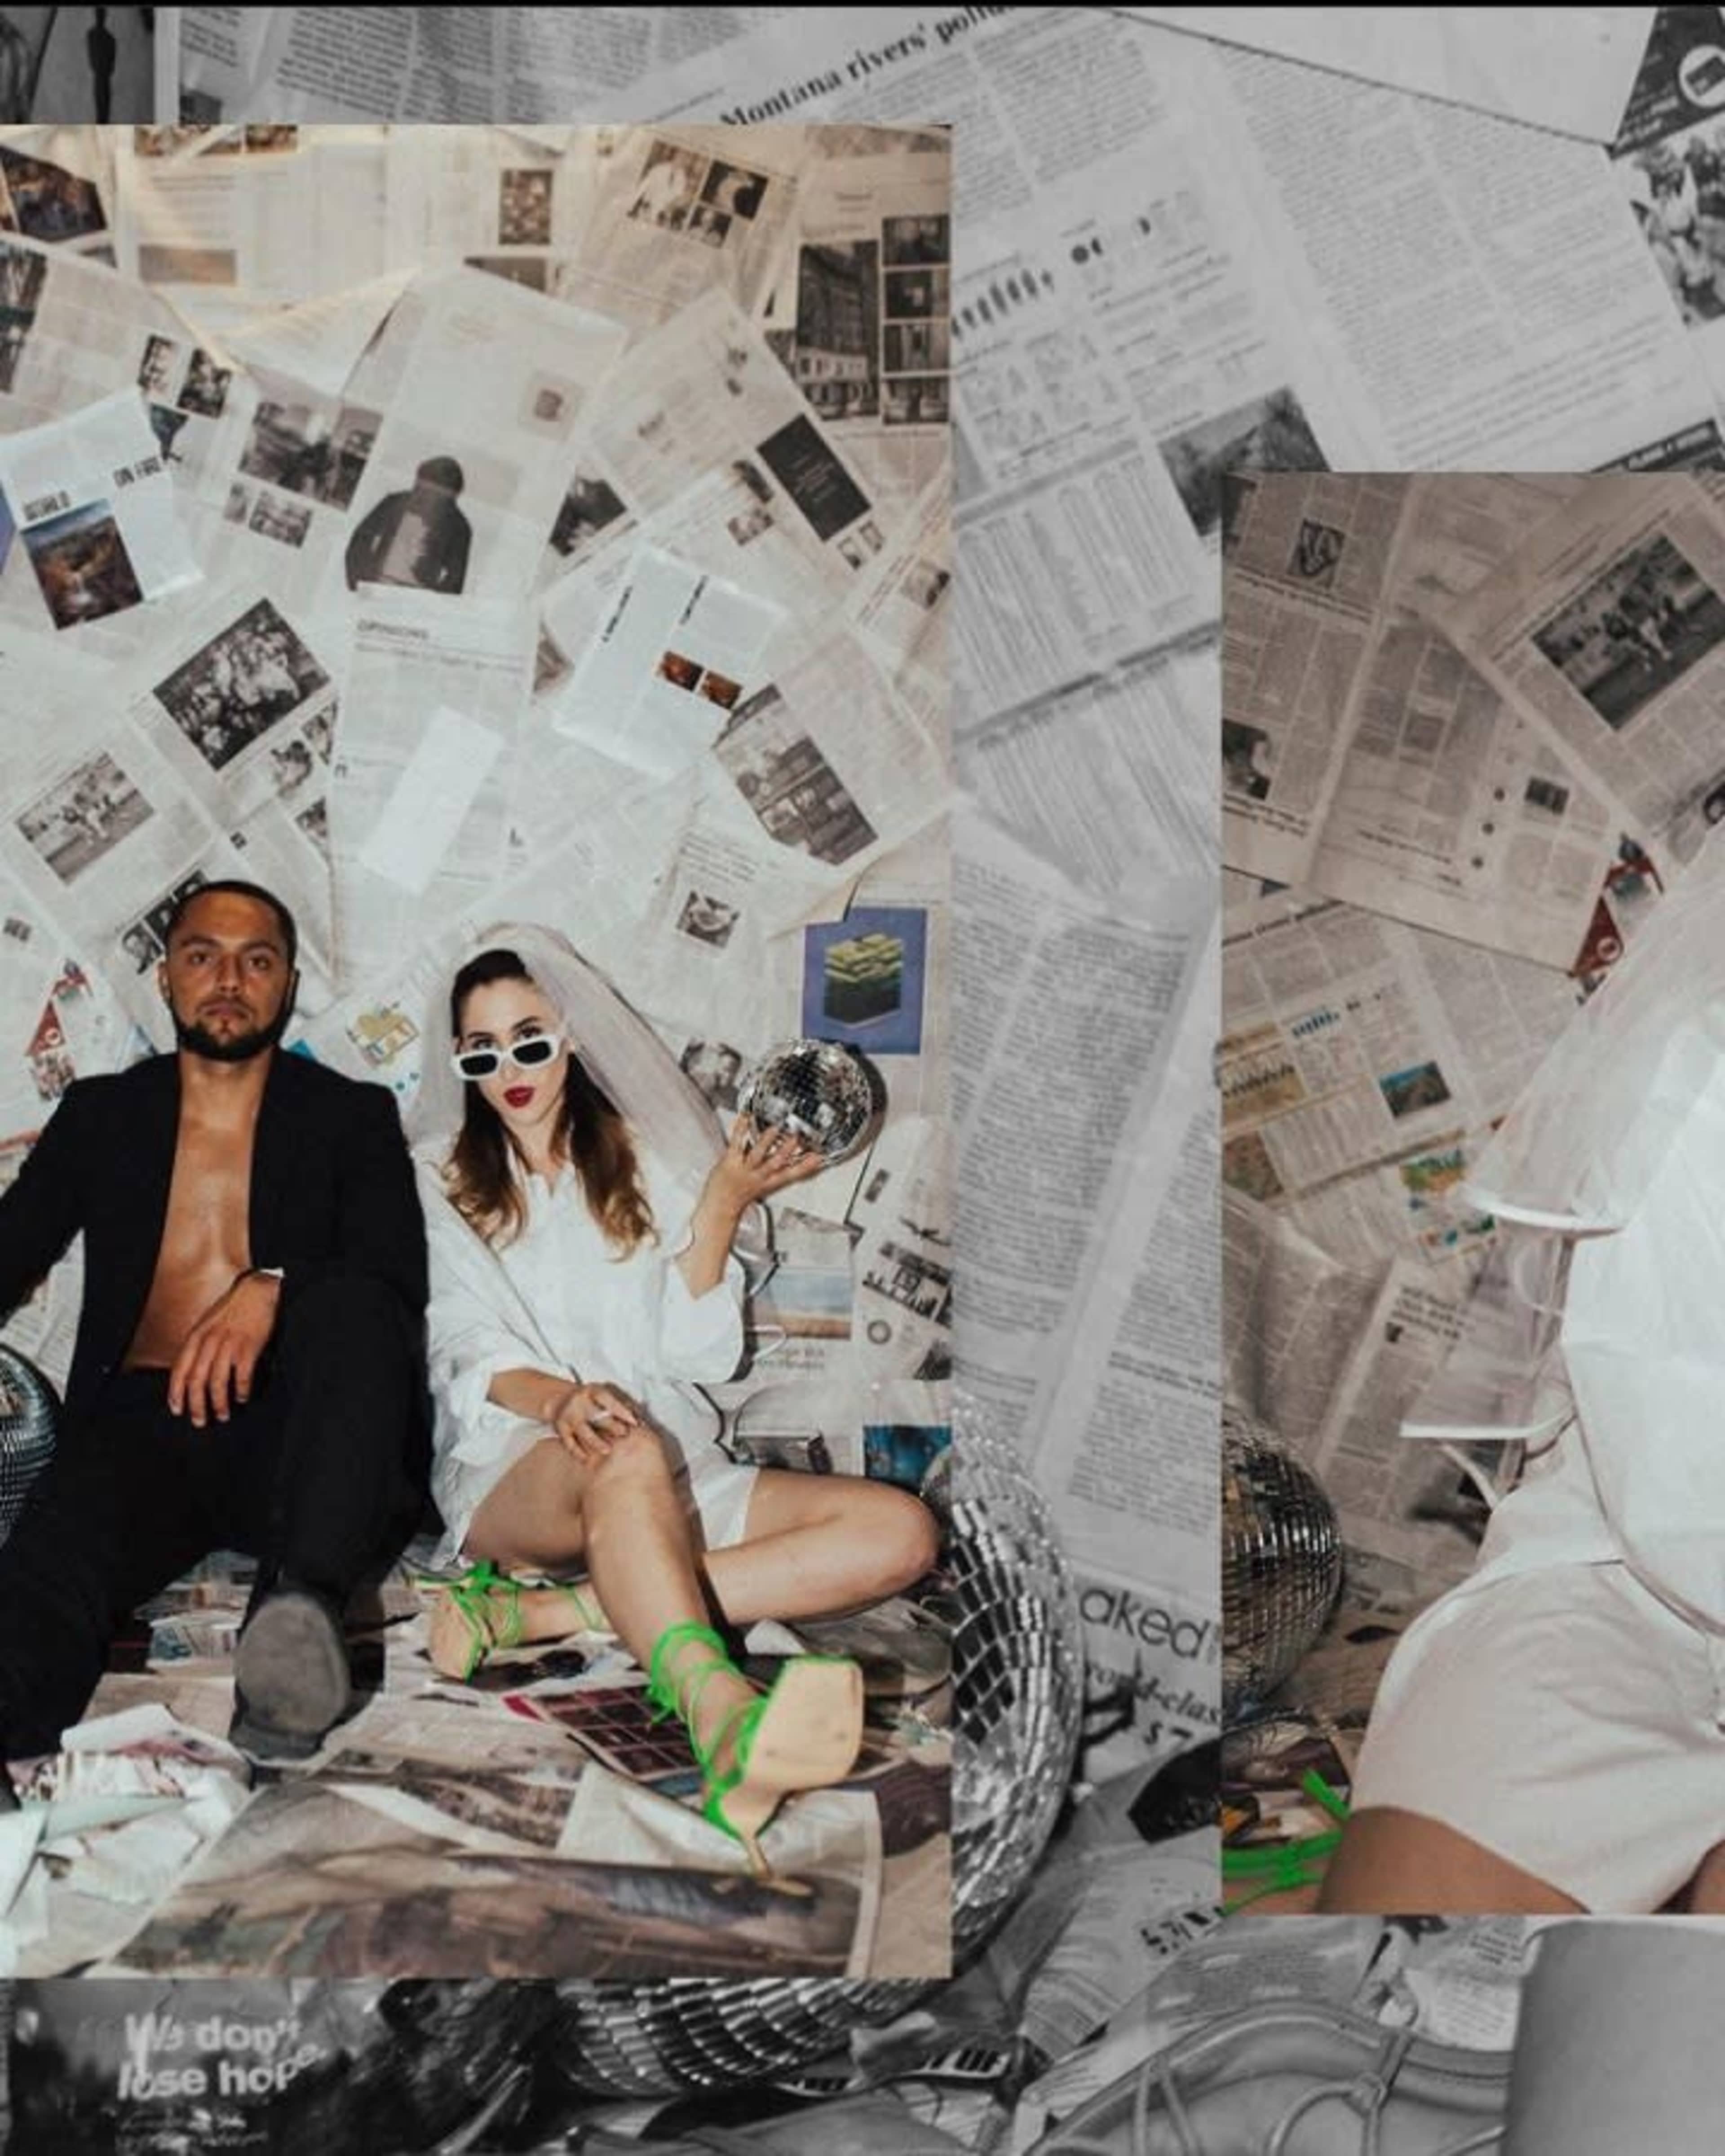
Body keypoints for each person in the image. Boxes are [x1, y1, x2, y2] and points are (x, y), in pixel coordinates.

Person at [411, 925, 939, 1875]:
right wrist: (562, 1404)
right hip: (514, 1468)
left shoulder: (644, 1159)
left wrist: (725, 1201)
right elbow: (462, 1349)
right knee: (624, 1445)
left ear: (570, 1037)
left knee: (903, 1534)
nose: (510, 1070)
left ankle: (538, 1617)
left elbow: (696, 1351)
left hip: (665, 1456)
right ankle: (723, 1715)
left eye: (530, 1040)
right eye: (482, 1052)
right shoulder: (438, 1175)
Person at [1319, 822, 1725, 1914]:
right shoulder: (1691, 1076)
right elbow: (1673, 1491)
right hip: (1624, 1584)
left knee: (1665, 2038)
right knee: (1378, 1970)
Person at [0, 882, 429, 1787]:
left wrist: (272, 1286)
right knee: (44, 1581)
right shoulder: (102, 1114)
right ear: (166, 977)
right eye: (203, 955)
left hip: (301, 1442)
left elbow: (396, 1277)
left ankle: (289, 1641)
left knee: (353, 1303)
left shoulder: (351, 1118)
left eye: (257, 960)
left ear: (288, 983)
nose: (228, 979)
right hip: (141, 1432)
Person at [344, 456, 472, 595]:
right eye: (424, 492)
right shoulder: (394, 502)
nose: (429, 501)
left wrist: (424, 605)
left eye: (439, 498)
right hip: (379, 586)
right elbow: (361, 540)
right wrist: (361, 583)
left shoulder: (459, 526)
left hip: (413, 600)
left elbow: (455, 580)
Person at [86, 6, 116, 123]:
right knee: (103, 109)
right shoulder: (110, 39)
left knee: (102, 109)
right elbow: (112, 64)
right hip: (102, 77)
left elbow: (91, 56)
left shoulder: (92, 35)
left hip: (101, 77)